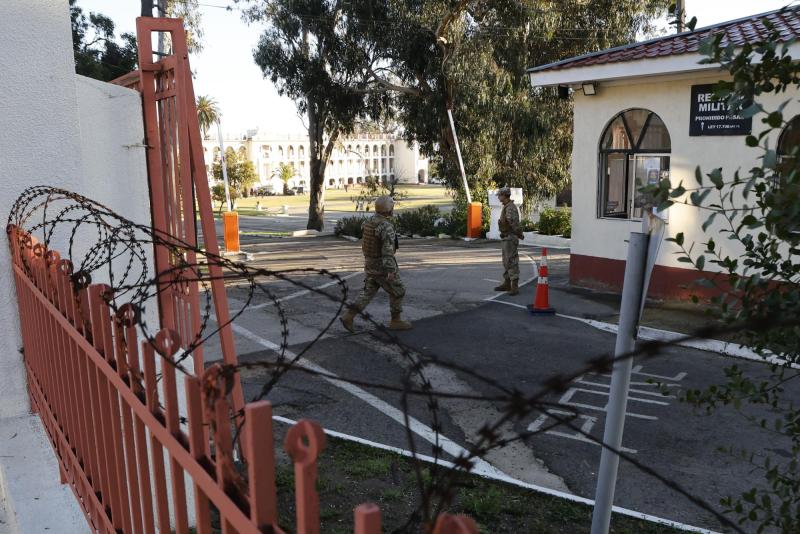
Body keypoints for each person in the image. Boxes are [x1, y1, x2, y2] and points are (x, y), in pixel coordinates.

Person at [340, 195, 413, 332]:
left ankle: (348, 316)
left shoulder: (369, 221)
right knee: (398, 290)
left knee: (368, 292)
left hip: (370, 263)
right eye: (392, 206)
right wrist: (390, 270)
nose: (393, 208)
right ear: (388, 209)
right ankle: (395, 320)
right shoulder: (386, 226)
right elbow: (387, 251)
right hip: (382, 266)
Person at [495, 187, 521, 296]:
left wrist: (519, 233)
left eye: (500, 195)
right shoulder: (506, 206)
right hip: (506, 237)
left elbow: (513, 222)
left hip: (510, 237)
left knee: (511, 261)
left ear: (504, 195)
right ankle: (507, 283)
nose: (498, 197)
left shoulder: (510, 207)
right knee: (506, 261)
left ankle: (514, 286)